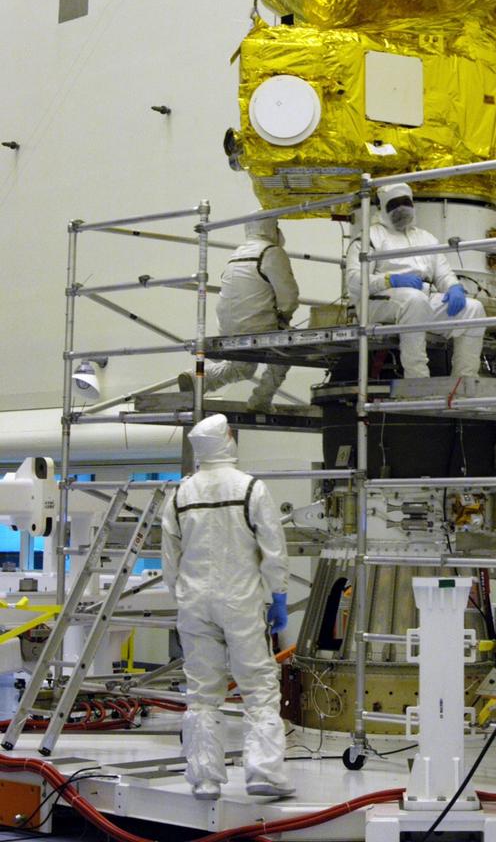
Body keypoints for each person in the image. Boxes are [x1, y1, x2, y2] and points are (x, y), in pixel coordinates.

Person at [161, 413, 293, 800]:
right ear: (227, 440)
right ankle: (263, 772)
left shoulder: (180, 494)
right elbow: (273, 547)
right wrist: (278, 594)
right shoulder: (250, 488)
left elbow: (170, 556)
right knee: (259, 686)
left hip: (194, 601)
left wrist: (183, 595)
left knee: (202, 692)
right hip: (240, 600)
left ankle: (204, 778)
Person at [345, 182, 486, 379]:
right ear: (382, 208)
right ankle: (417, 378)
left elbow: (443, 272)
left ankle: (464, 381)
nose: (401, 208)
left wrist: (454, 287)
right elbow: (353, 280)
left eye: (405, 202)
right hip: (377, 302)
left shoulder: (425, 238)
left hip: (420, 299)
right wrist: (390, 280)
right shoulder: (370, 237)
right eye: (394, 204)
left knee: (474, 309)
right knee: (414, 300)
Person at [179, 216, 299, 411]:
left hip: (227, 325)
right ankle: (261, 400)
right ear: (270, 228)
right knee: (285, 352)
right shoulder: (272, 253)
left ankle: (200, 378)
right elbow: (289, 296)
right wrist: (285, 317)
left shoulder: (237, 254)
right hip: (255, 324)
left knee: (242, 367)